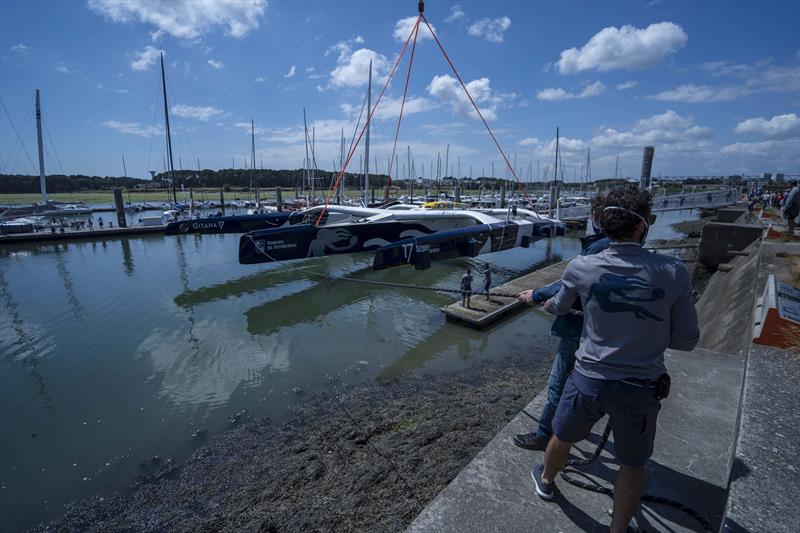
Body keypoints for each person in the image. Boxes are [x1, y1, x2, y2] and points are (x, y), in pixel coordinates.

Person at [529, 185, 699, 533]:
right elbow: (687, 341)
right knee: (632, 464)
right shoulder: (673, 271)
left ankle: (546, 481)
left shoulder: (582, 267)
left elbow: (557, 306)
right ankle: (618, 528)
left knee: (562, 436)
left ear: (601, 224)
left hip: (588, 380)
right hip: (642, 386)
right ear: (642, 225)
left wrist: (543, 303)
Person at [514, 200, 610, 451]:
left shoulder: (599, 247)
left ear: (598, 216)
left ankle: (545, 433)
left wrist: (537, 295)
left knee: (559, 382)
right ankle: (575, 426)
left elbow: (567, 287)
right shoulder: (634, 252)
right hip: (608, 334)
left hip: (579, 327)